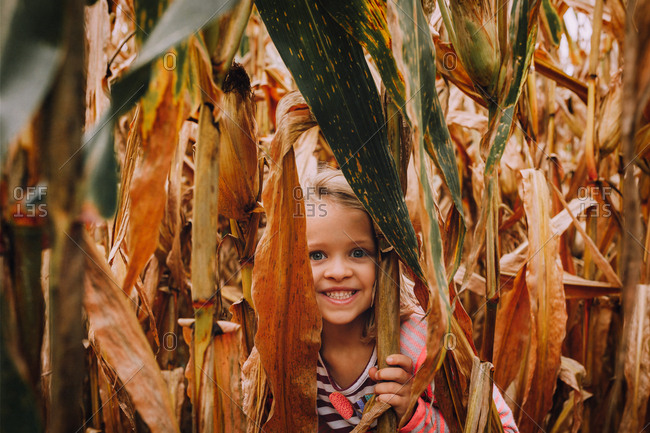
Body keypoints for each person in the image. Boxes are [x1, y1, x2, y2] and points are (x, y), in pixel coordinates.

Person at [302, 167, 518, 433]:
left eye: (358, 252)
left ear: (385, 260)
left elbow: (503, 428)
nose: (338, 272)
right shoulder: (285, 348)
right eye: (317, 255)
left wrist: (414, 416)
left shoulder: (418, 343)